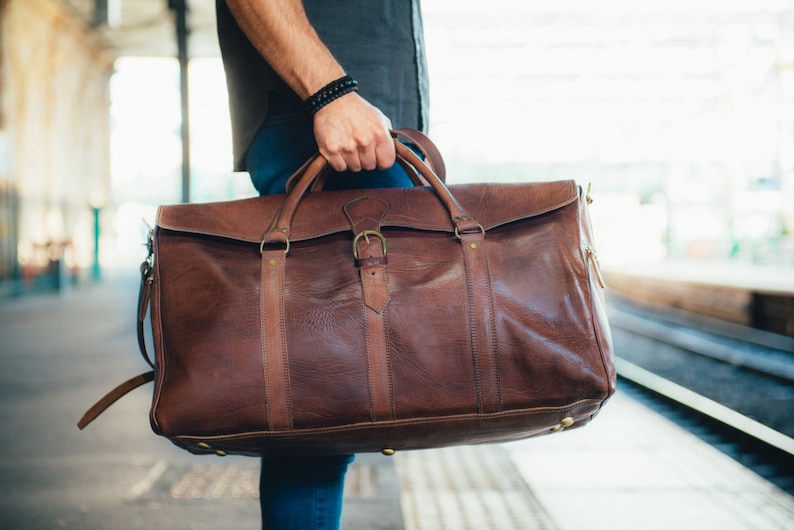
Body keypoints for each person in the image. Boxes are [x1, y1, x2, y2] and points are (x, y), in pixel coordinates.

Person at [215, 1, 429, 528]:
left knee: (321, 391)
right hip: (324, 119)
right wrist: (330, 93)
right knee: (321, 391)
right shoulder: (331, 104)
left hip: (360, 124)